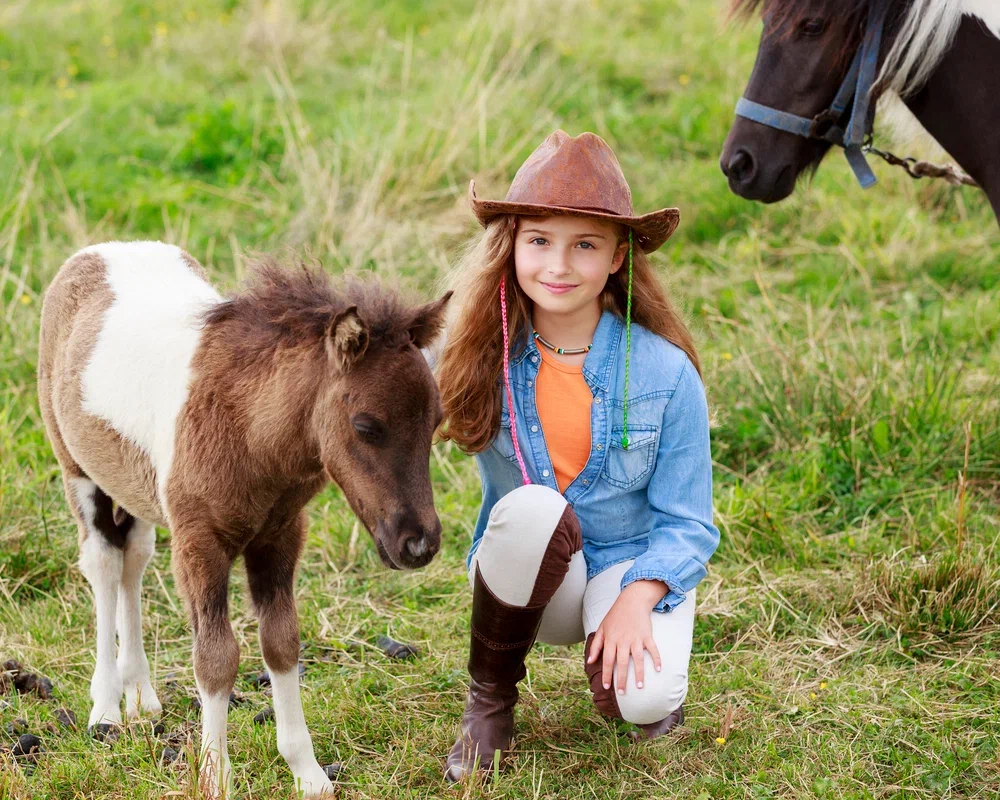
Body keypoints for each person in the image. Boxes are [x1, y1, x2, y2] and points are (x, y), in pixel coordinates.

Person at [435, 130, 720, 782]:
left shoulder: (666, 373)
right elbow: (386, 390)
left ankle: (623, 670)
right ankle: (490, 705)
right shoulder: (475, 353)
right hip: (528, 577)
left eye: (584, 244)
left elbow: (690, 524)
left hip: (626, 568)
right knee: (534, 508)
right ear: (512, 247)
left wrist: (637, 596)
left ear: (618, 256)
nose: (557, 265)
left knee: (646, 700)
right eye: (539, 241)